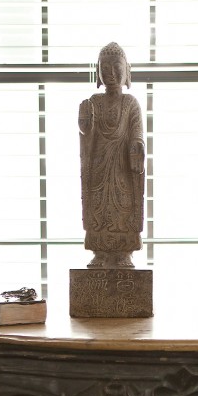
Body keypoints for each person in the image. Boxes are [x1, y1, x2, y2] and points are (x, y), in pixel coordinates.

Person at [78, 42, 145, 268]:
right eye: (105, 69)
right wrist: (85, 126)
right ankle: (100, 253)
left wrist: (137, 146)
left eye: (117, 68)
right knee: (99, 207)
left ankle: (124, 253)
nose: (111, 74)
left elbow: (137, 131)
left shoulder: (131, 103)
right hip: (99, 167)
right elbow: (88, 134)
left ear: (127, 70)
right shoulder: (95, 102)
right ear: (97, 72)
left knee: (123, 208)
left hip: (122, 168)